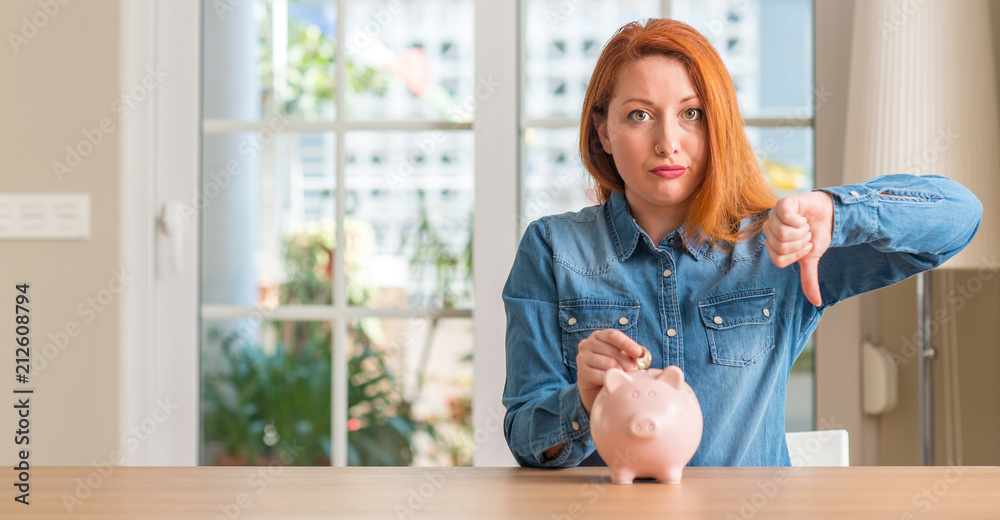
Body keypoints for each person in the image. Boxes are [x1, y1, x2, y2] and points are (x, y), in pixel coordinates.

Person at [501, 18, 983, 468]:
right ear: (604, 131)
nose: (668, 142)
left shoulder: (781, 245)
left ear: (719, 127)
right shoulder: (552, 247)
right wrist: (583, 402)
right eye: (640, 115)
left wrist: (838, 213)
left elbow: (959, 215)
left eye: (692, 113)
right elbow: (526, 440)